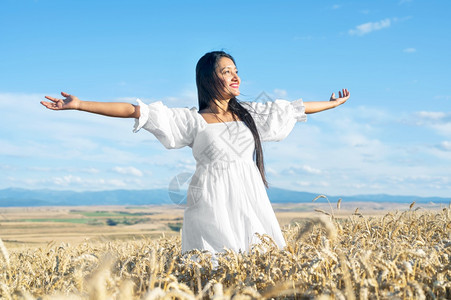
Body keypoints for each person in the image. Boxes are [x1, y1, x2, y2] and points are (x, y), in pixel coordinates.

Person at [41, 50, 350, 260]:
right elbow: (135, 111)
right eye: (226, 71)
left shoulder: (251, 114)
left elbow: (293, 109)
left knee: (260, 254)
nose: (235, 76)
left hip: (250, 193)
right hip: (210, 198)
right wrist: (80, 104)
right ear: (208, 78)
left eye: (236, 71)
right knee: (214, 260)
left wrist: (332, 104)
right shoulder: (190, 119)